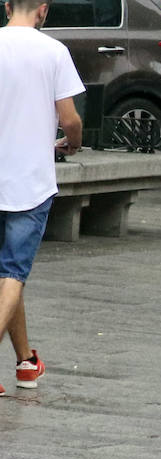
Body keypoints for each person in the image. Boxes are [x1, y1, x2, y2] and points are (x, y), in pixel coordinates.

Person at [0, 0, 83, 396]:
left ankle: (25, 363)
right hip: (30, 183)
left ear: (6, 7)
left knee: (6, 279)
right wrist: (73, 142)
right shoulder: (54, 52)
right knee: (13, 274)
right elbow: (69, 119)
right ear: (43, 10)